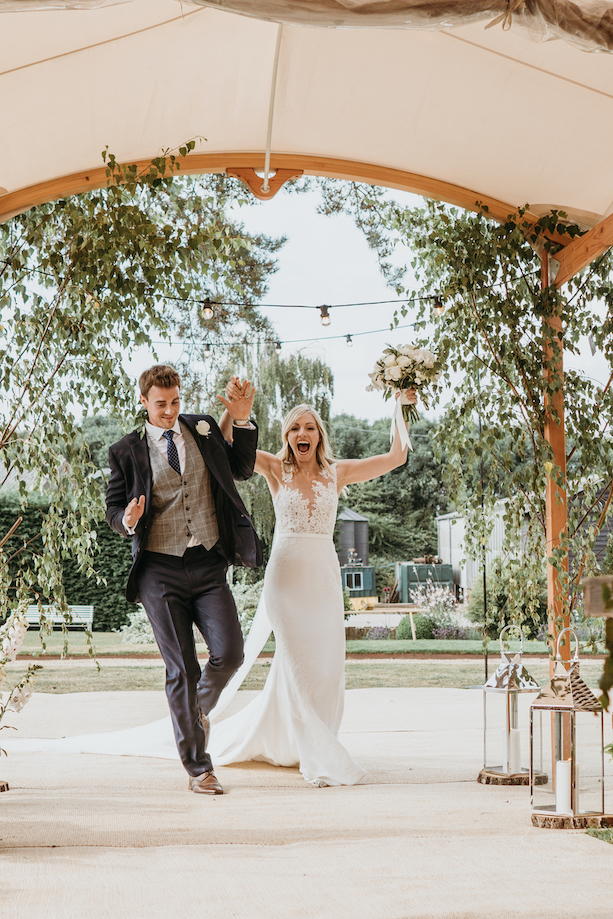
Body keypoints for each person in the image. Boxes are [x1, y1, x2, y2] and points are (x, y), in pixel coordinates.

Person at [205, 380, 416, 787]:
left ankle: (304, 742)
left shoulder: (339, 473)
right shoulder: (274, 467)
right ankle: (317, 755)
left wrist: (400, 406)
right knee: (298, 661)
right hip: (284, 582)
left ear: (320, 435)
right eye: (295, 428)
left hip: (322, 580)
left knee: (325, 665)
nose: (302, 434)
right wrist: (235, 411)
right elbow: (223, 447)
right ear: (287, 436)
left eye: (310, 428)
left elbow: (396, 455)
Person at [105, 364, 262, 795]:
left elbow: (243, 469)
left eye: (176, 401)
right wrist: (127, 519)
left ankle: (197, 709)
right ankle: (199, 769)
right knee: (182, 668)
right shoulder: (125, 451)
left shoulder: (204, 429)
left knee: (230, 653)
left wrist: (243, 419)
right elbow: (113, 509)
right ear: (144, 401)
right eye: (161, 404)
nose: (170, 411)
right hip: (159, 569)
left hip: (208, 561)